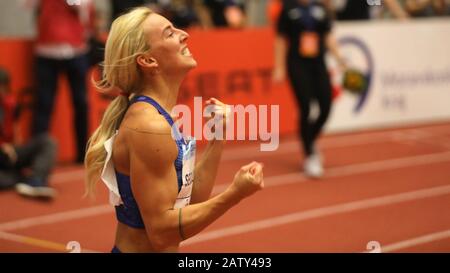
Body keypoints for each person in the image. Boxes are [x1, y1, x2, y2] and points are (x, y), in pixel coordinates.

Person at [84, 7, 264, 253]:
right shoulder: (149, 126)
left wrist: (217, 138)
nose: (184, 34)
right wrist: (235, 194)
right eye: (169, 33)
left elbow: (187, 200)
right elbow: (161, 233)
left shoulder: (158, 115)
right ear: (148, 60)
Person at [273, 0, 345, 178]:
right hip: (297, 64)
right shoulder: (288, 8)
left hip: (318, 64)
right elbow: (281, 39)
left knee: (326, 107)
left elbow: (328, 35)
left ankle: (309, 140)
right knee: (305, 106)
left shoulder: (320, 8)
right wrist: (279, 67)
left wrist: (339, 58)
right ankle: (310, 155)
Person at [30, 0, 95, 163]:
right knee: (44, 104)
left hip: (75, 49)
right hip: (46, 49)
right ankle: (36, 156)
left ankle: (83, 153)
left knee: (81, 103)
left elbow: (80, 5)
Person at [0, 68, 57, 198]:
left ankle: (35, 180)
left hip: (11, 152)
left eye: (3, 87)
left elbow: (15, 131)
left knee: (48, 142)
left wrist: (14, 149)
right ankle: (21, 179)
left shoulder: (11, 104)